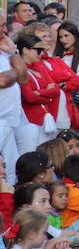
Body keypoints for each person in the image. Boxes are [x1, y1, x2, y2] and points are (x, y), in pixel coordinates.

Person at [0, 31, 29, 185]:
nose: (4, 31)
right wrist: (14, 72)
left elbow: (24, 77)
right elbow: (3, 81)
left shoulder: (5, 48)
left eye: (4, 25)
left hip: (10, 119)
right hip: (1, 118)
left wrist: (13, 52)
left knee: (11, 169)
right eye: (0, 26)